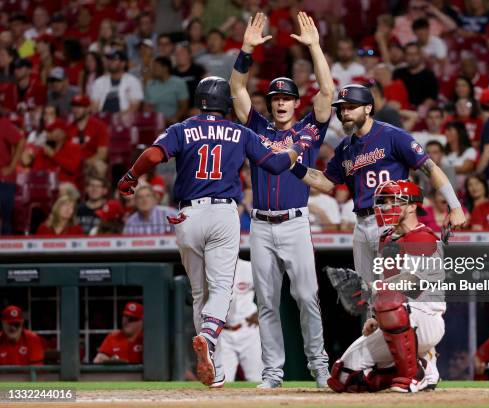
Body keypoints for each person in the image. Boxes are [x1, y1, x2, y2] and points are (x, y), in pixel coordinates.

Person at [116, 76, 315, 388]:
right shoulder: (240, 131)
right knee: (222, 288)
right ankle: (208, 337)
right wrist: (298, 147)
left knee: (200, 293)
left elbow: (154, 155)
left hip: (187, 214)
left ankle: (217, 371)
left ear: (200, 100)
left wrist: (130, 176)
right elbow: (276, 165)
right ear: (227, 103)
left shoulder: (182, 128)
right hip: (223, 212)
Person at [229, 12, 335, 389]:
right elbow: (237, 90)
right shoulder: (256, 126)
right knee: (268, 303)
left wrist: (315, 47)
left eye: (287, 97)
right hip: (259, 224)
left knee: (307, 297)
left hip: (294, 221)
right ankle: (272, 372)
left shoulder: (309, 127)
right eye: (276, 98)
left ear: (294, 101)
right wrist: (245, 50)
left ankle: (319, 367)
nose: (281, 103)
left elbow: (327, 94)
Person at [290, 84, 465, 288]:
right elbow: (326, 182)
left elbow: (430, 168)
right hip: (361, 224)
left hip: (391, 220)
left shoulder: (392, 135)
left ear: (368, 108)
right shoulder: (344, 148)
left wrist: (455, 206)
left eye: (351, 107)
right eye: (342, 108)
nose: (345, 113)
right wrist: (292, 165)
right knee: (370, 294)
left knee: (395, 292)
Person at [327, 180, 444, 393]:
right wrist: (375, 317)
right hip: (396, 318)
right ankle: (424, 366)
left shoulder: (424, 237)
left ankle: (414, 375)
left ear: (412, 206)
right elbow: (386, 283)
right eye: (384, 201)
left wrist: (372, 287)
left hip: (426, 320)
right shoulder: (386, 238)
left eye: (395, 201)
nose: (387, 206)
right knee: (343, 376)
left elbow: (413, 283)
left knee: (390, 301)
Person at [216, 259, 264, 382]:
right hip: (223, 332)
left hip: (248, 330)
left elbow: (269, 290)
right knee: (222, 380)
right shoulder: (210, 270)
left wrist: (261, 312)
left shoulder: (248, 268)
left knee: (256, 379)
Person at [22, 119, 82, 186]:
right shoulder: (44, 149)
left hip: (68, 186)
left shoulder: (74, 147)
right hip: (48, 186)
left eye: (51, 130)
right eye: (48, 131)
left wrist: (54, 155)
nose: (47, 133)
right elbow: (37, 170)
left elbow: (73, 167)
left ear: (62, 133)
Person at [90, 50, 143, 114]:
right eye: (109, 59)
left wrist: (119, 118)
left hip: (125, 119)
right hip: (103, 119)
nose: (110, 62)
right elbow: (94, 105)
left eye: (114, 59)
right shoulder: (99, 82)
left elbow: (135, 106)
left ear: (123, 63)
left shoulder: (133, 81)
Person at [69, 95, 109, 178]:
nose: (76, 110)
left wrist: (86, 163)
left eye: (80, 106)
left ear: (87, 108)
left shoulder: (99, 126)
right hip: (72, 164)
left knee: (100, 166)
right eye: (74, 106)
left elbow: (102, 153)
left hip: (91, 162)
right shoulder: (68, 128)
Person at [392, 42, 438, 113]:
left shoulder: (429, 75)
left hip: (421, 113)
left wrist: (421, 111)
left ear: (420, 55)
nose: (412, 57)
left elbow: (432, 97)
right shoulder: (398, 73)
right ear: (404, 56)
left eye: (415, 54)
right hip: (401, 111)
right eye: (409, 54)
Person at [144, 56, 189, 124]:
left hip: (174, 123)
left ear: (165, 68)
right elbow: (146, 107)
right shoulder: (150, 85)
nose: (153, 70)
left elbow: (184, 107)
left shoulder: (179, 83)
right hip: (154, 123)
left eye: (155, 67)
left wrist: (173, 119)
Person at [0, 115, 25, 235]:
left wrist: (11, 166)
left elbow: (20, 141)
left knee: (6, 220)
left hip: (3, 179)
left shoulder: (3, 123)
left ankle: (6, 250)